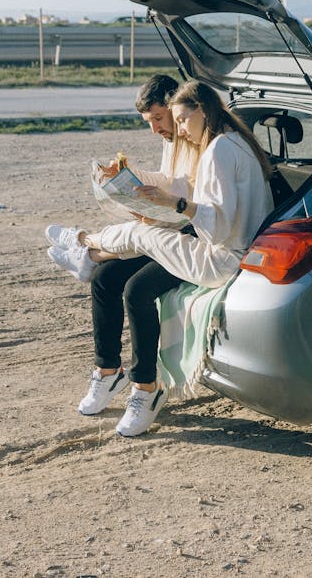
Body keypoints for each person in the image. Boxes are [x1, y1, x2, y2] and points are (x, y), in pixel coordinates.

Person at [47, 80, 273, 437]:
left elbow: (212, 222)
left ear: (199, 110)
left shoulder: (218, 149)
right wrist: (140, 186)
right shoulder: (226, 142)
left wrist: (173, 205)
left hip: (219, 255)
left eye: (176, 120)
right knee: (112, 272)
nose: (176, 130)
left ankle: (85, 245)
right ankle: (108, 369)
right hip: (216, 242)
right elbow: (187, 193)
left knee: (139, 258)